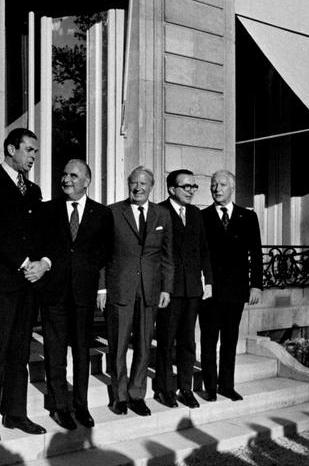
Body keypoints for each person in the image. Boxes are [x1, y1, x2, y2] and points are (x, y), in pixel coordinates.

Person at [0, 127, 48, 441]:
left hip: (28, 284)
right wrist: (22, 263)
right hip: (0, 282)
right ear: (10, 148)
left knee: (20, 352)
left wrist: (41, 264)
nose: (32, 157)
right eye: (29, 150)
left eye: (35, 152)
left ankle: (16, 413)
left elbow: (40, 234)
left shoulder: (33, 190)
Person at [33, 159, 113, 430]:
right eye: (64, 174)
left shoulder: (101, 214)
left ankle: (81, 405)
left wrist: (95, 279)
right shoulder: (47, 211)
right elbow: (39, 246)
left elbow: (106, 252)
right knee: (54, 351)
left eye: (74, 175)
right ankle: (59, 406)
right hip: (54, 292)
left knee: (81, 351)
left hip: (83, 293)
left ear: (87, 181)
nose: (66, 179)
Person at [98, 166, 173, 417]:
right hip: (120, 288)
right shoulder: (113, 212)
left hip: (150, 290)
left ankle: (137, 394)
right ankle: (119, 396)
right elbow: (102, 254)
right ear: (128, 184)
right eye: (134, 183)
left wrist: (167, 289)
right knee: (117, 345)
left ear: (152, 187)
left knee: (143, 344)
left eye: (143, 184)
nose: (138, 188)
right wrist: (102, 288)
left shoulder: (162, 215)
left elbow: (167, 256)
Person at [198, 169, 263, 402]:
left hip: (236, 291)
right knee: (208, 340)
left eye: (222, 185)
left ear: (232, 188)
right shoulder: (202, 216)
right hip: (209, 292)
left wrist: (256, 286)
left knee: (230, 340)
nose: (217, 189)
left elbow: (256, 254)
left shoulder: (248, 217)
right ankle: (211, 388)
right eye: (214, 184)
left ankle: (227, 386)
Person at [154, 169, 212, 410]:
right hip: (169, 290)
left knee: (188, 341)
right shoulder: (159, 211)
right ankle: (164, 389)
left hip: (192, 290)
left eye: (193, 187)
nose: (190, 190)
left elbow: (204, 250)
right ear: (172, 189)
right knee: (166, 341)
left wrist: (207, 281)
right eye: (185, 186)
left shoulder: (196, 214)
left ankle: (185, 388)